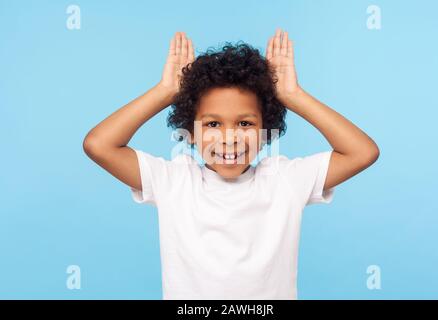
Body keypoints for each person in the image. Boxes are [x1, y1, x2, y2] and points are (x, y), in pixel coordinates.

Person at [83, 28, 380, 300]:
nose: (230, 138)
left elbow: (362, 152)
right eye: (213, 123)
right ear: (191, 129)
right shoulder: (174, 180)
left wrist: (292, 95)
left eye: (245, 123)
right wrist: (165, 92)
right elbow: (99, 144)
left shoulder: (284, 179)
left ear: (266, 128)